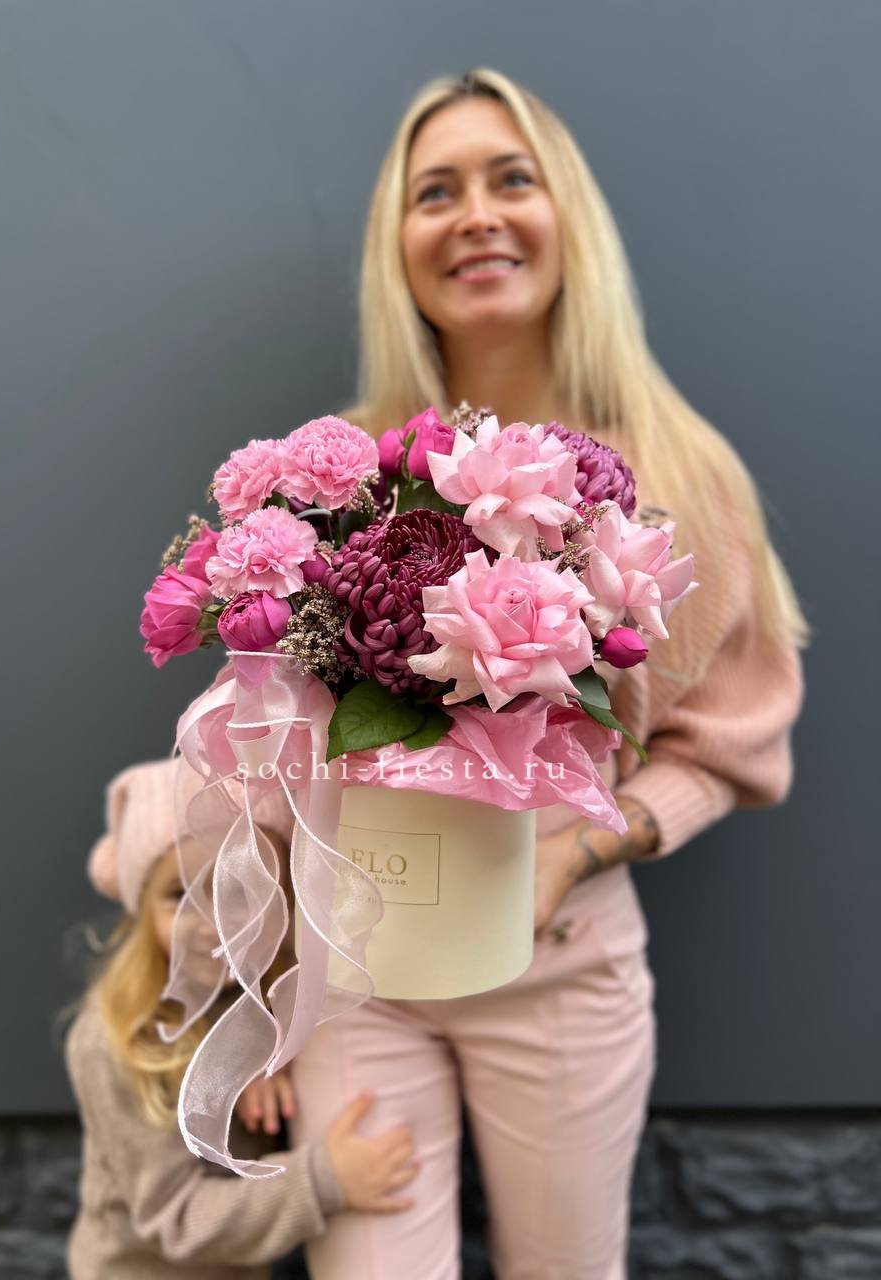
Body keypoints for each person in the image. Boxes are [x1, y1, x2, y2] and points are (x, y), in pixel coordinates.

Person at [274, 68, 807, 1279]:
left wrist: (572, 852)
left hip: (562, 955)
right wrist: (241, 957)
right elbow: (280, 741)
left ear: (566, 213)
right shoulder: (348, 475)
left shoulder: (683, 472)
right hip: (363, 957)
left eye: (511, 179)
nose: (476, 215)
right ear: (396, 243)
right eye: (436, 192)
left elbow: (731, 741)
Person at [64, 758, 419, 1279]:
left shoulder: (276, 997)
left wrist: (259, 1059)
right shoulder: (116, 1037)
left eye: (243, 888)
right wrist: (324, 1179)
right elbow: (175, 1218)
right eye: (180, 895)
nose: (213, 925)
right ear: (140, 908)